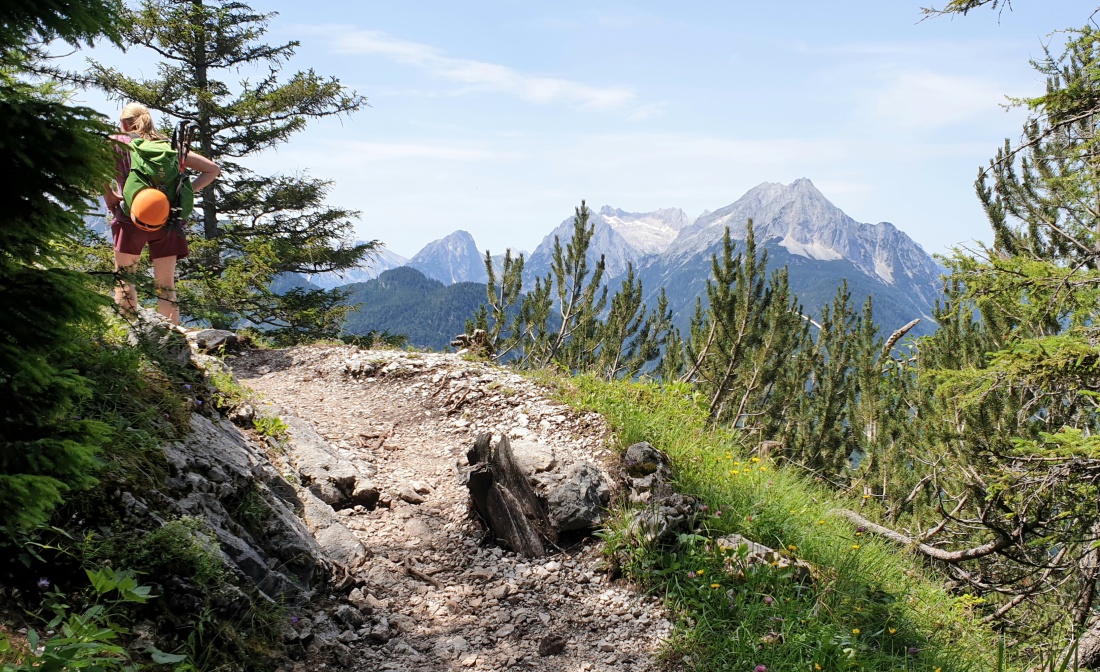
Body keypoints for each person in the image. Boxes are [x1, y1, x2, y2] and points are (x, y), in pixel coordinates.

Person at [103, 102, 220, 325]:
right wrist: (180, 194)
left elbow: (92, 167)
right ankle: (172, 339)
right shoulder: (168, 147)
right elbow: (212, 169)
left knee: (125, 278)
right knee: (165, 284)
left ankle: (131, 335)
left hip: (130, 218)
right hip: (167, 221)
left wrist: (108, 194)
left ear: (125, 123)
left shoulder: (116, 143)